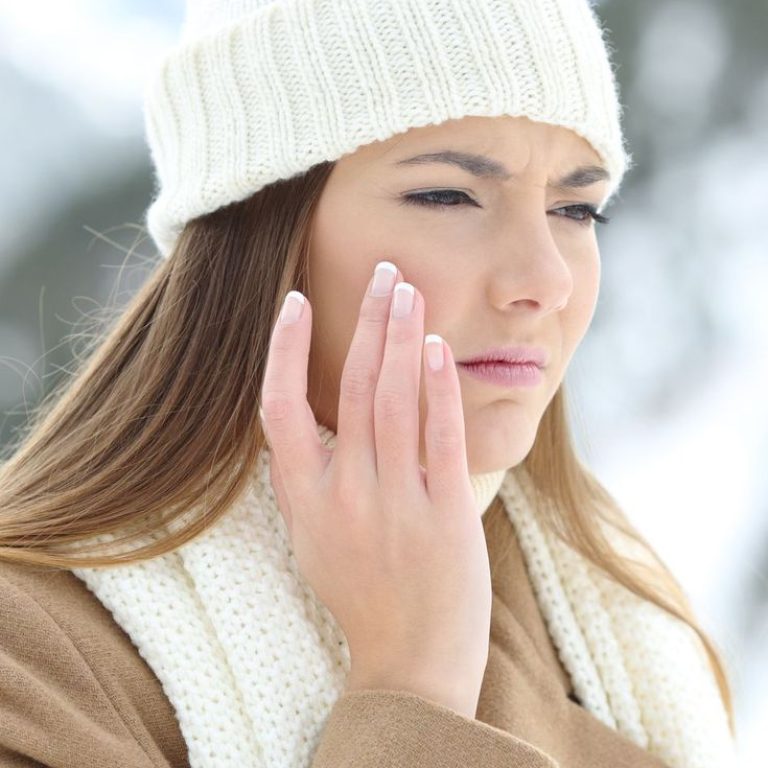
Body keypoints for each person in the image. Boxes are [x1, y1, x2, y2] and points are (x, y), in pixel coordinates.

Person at [0, 1, 738, 767]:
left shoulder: (618, 622)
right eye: (448, 196)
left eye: (577, 209)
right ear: (259, 232)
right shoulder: (37, 660)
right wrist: (412, 688)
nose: (546, 279)